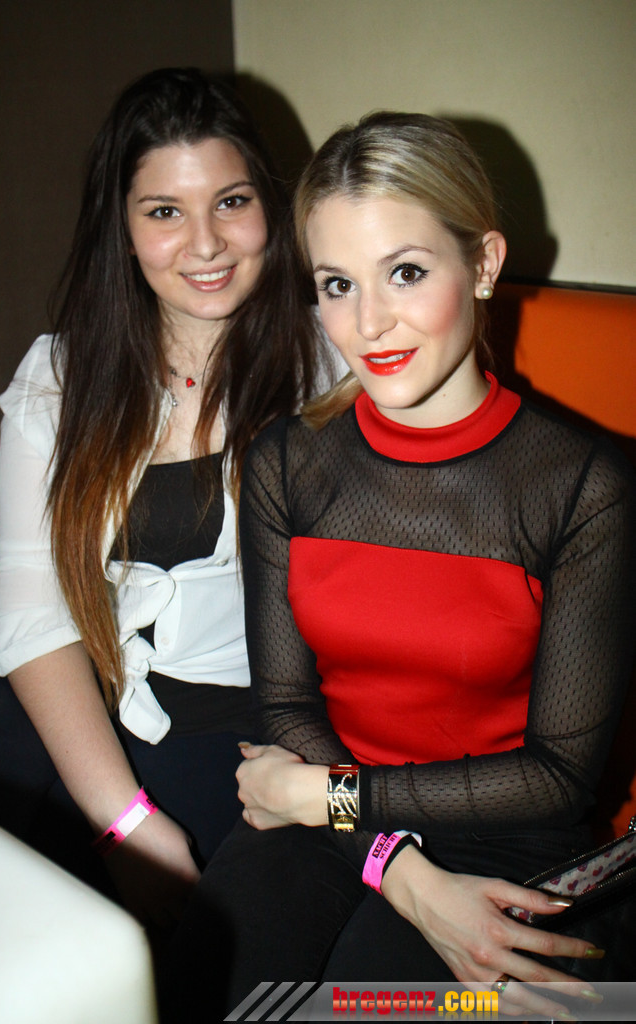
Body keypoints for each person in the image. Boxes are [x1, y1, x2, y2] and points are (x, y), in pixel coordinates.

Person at [170, 112, 635, 1015]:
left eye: (407, 273)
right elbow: (286, 707)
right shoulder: (286, 463)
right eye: (336, 284)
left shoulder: (582, 486)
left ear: (485, 263)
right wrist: (395, 864)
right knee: (201, 990)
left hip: (500, 833)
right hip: (322, 814)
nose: (367, 322)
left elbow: (555, 776)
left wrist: (323, 795)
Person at [0, 67, 331, 926]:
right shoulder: (58, 375)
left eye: (230, 202)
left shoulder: (335, 361)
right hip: (62, 709)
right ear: (121, 230)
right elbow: (31, 621)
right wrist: (125, 823)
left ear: (269, 208)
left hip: (232, 741)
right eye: (164, 212)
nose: (205, 244)